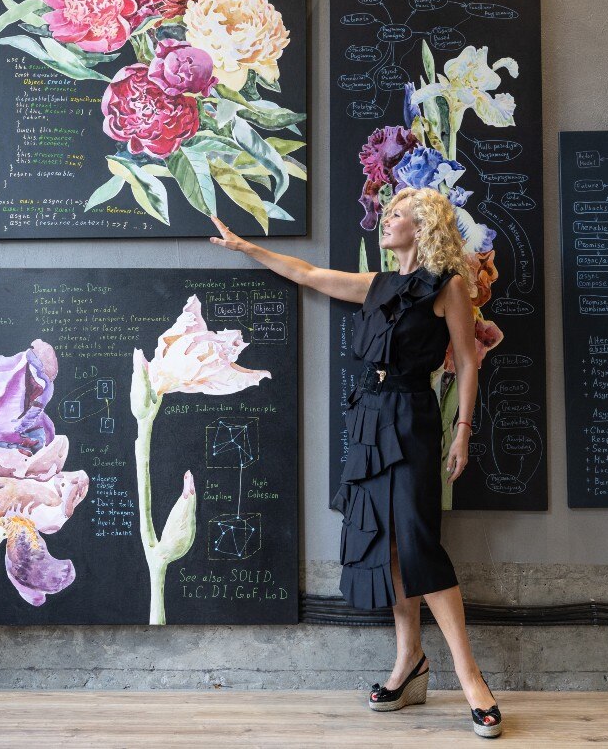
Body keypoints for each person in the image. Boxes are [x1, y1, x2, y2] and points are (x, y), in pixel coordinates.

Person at [210, 186, 503, 739]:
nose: (385, 219)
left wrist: (462, 431)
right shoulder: (377, 285)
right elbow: (307, 272)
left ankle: (470, 679)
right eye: (388, 212)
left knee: (419, 542)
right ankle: (409, 663)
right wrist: (247, 248)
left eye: (397, 214)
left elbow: (467, 362)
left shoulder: (449, 287)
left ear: (423, 227)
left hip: (413, 419)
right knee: (384, 543)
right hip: (366, 418)